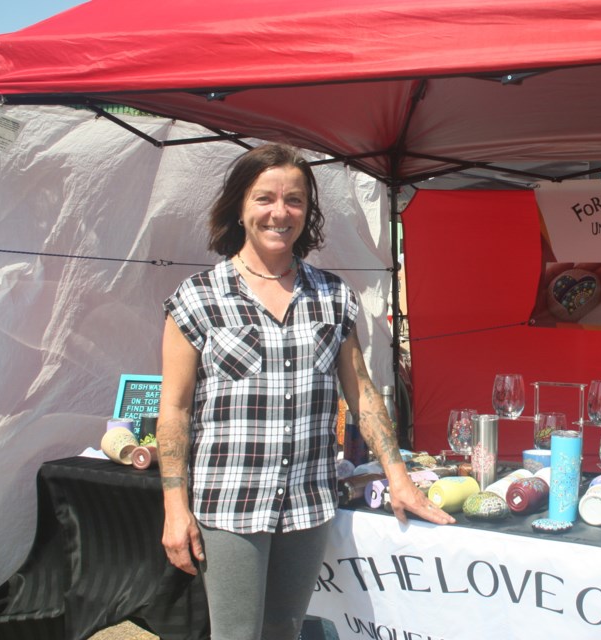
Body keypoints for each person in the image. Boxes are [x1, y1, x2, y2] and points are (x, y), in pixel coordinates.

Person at [157, 143, 455, 640]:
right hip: (230, 502)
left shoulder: (333, 296)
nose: (280, 212)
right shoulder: (197, 298)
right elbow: (175, 409)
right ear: (240, 205)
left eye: (294, 200)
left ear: (307, 211)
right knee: (235, 635)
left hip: (308, 503)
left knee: (286, 632)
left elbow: (361, 392)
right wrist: (174, 507)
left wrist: (398, 477)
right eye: (264, 198)